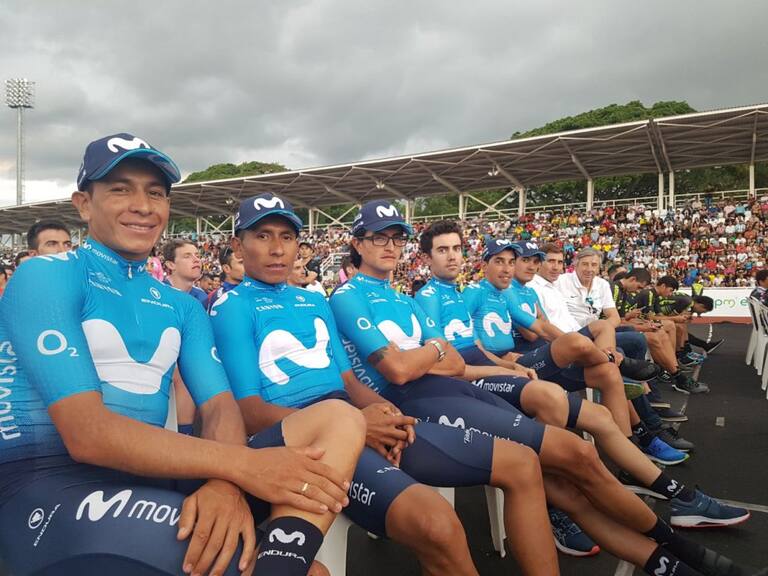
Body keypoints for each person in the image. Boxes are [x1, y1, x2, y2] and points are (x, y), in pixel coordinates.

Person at [0, 133, 362, 576]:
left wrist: (225, 484)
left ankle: (280, 563)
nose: (142, 205)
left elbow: (220, 406)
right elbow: (87, 434)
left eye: (155, 193)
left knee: (340, 418)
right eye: (120, 189)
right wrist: (243, 465)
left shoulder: (182, 305)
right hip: (50, 485)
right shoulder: (46, 275)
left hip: (157, 476)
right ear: (84, 204)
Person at [330, 201, 755, 576]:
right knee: (574, 453)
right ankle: (678, 544)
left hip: (451, 390)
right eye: (378, 237)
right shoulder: (350, 296)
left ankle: (676, 558)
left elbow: (456, 362)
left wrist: (430, 355)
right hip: (420, 401)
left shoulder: (402, 298)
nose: (390, 246)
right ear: (357, 243)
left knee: (573, 470)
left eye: (397, 238)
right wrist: (434, 350)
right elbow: (400, 371)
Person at [211, 194, 558, 576]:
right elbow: (249, 411)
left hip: (359, 424)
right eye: (263, 236)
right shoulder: (230, 307)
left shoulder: (314, 301)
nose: (277, 249)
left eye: (287, 237)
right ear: (237, 246)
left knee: (521, 462)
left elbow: (347, 381)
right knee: (438, 526)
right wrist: (357, 424)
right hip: (310, 442)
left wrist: (386, 413)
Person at [162, 239, 209, 307]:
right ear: (171, 265)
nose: (196, 260)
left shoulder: (202, 298)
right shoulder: (157, 295)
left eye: (198, 256)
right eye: (187, 257)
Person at [207, 247, 245, 312]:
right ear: (226, 268)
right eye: (241, 262)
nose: (248, 266)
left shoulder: (250, 289)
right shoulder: (222, 299)